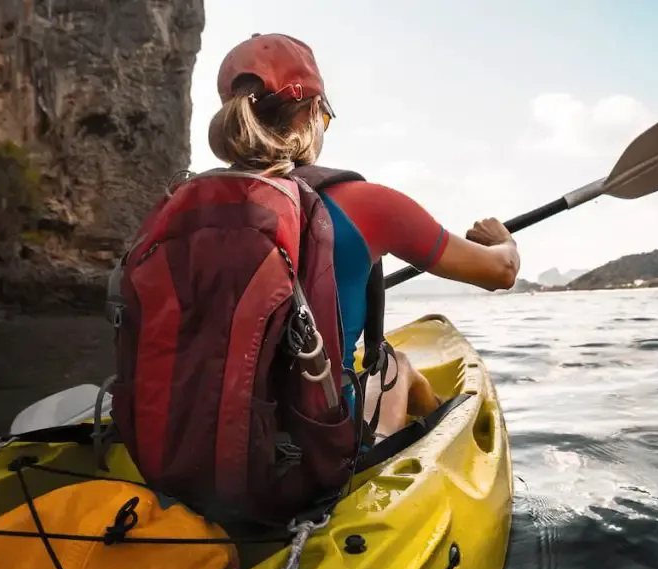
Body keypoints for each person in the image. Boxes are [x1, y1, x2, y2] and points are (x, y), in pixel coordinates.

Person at [208, 33, 521, 443]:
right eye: (323, 118)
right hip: (311, 456)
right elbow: (500, 272)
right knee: (396, 366)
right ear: (310, 115)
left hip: (199, 442)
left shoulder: (186, 207)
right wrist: (503, 239)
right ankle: (445, 443)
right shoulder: (365, 204)